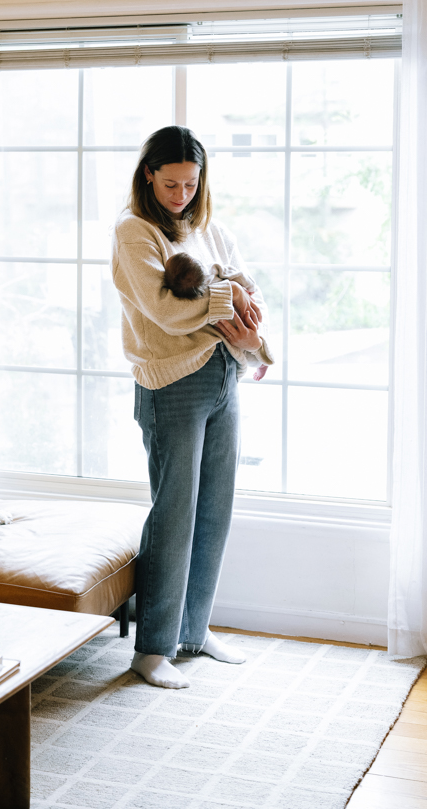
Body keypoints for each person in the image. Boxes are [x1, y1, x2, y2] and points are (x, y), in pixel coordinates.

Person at [111, 125, 274, 689]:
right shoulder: (134, 233)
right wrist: (231, 298)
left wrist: (257, 341)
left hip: (224, 372)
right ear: (149, 175)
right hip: (171, 383)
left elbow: (249, 290)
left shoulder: (208, 228)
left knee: (214, 508)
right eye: (171, 182)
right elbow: (167, 312)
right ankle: (152, 647)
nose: (180, 194)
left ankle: (193, 630)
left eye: (190, 183)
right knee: (174, 511)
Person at [163, 252, 270, 381]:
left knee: (247, 353)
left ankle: (261, 363)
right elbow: (237, 274)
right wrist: (249, 287)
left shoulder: (193, 296)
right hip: (244, 316)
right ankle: (263, 363)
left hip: (230, 326)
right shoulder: (213, 269)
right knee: (253, 340)